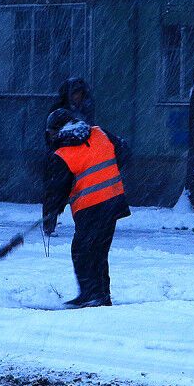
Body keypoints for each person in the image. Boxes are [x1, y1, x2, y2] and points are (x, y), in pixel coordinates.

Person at [42, 108, 130, 308]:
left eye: (50, 132)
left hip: (91, 206)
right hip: (114, 201)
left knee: (81, 250)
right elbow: (124, 150)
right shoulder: (100, 133)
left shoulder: (62, 153)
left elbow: (56, 191)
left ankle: (91, 295)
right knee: (99, 251)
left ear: (56, 131)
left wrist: (50, 216)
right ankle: (101, 294)